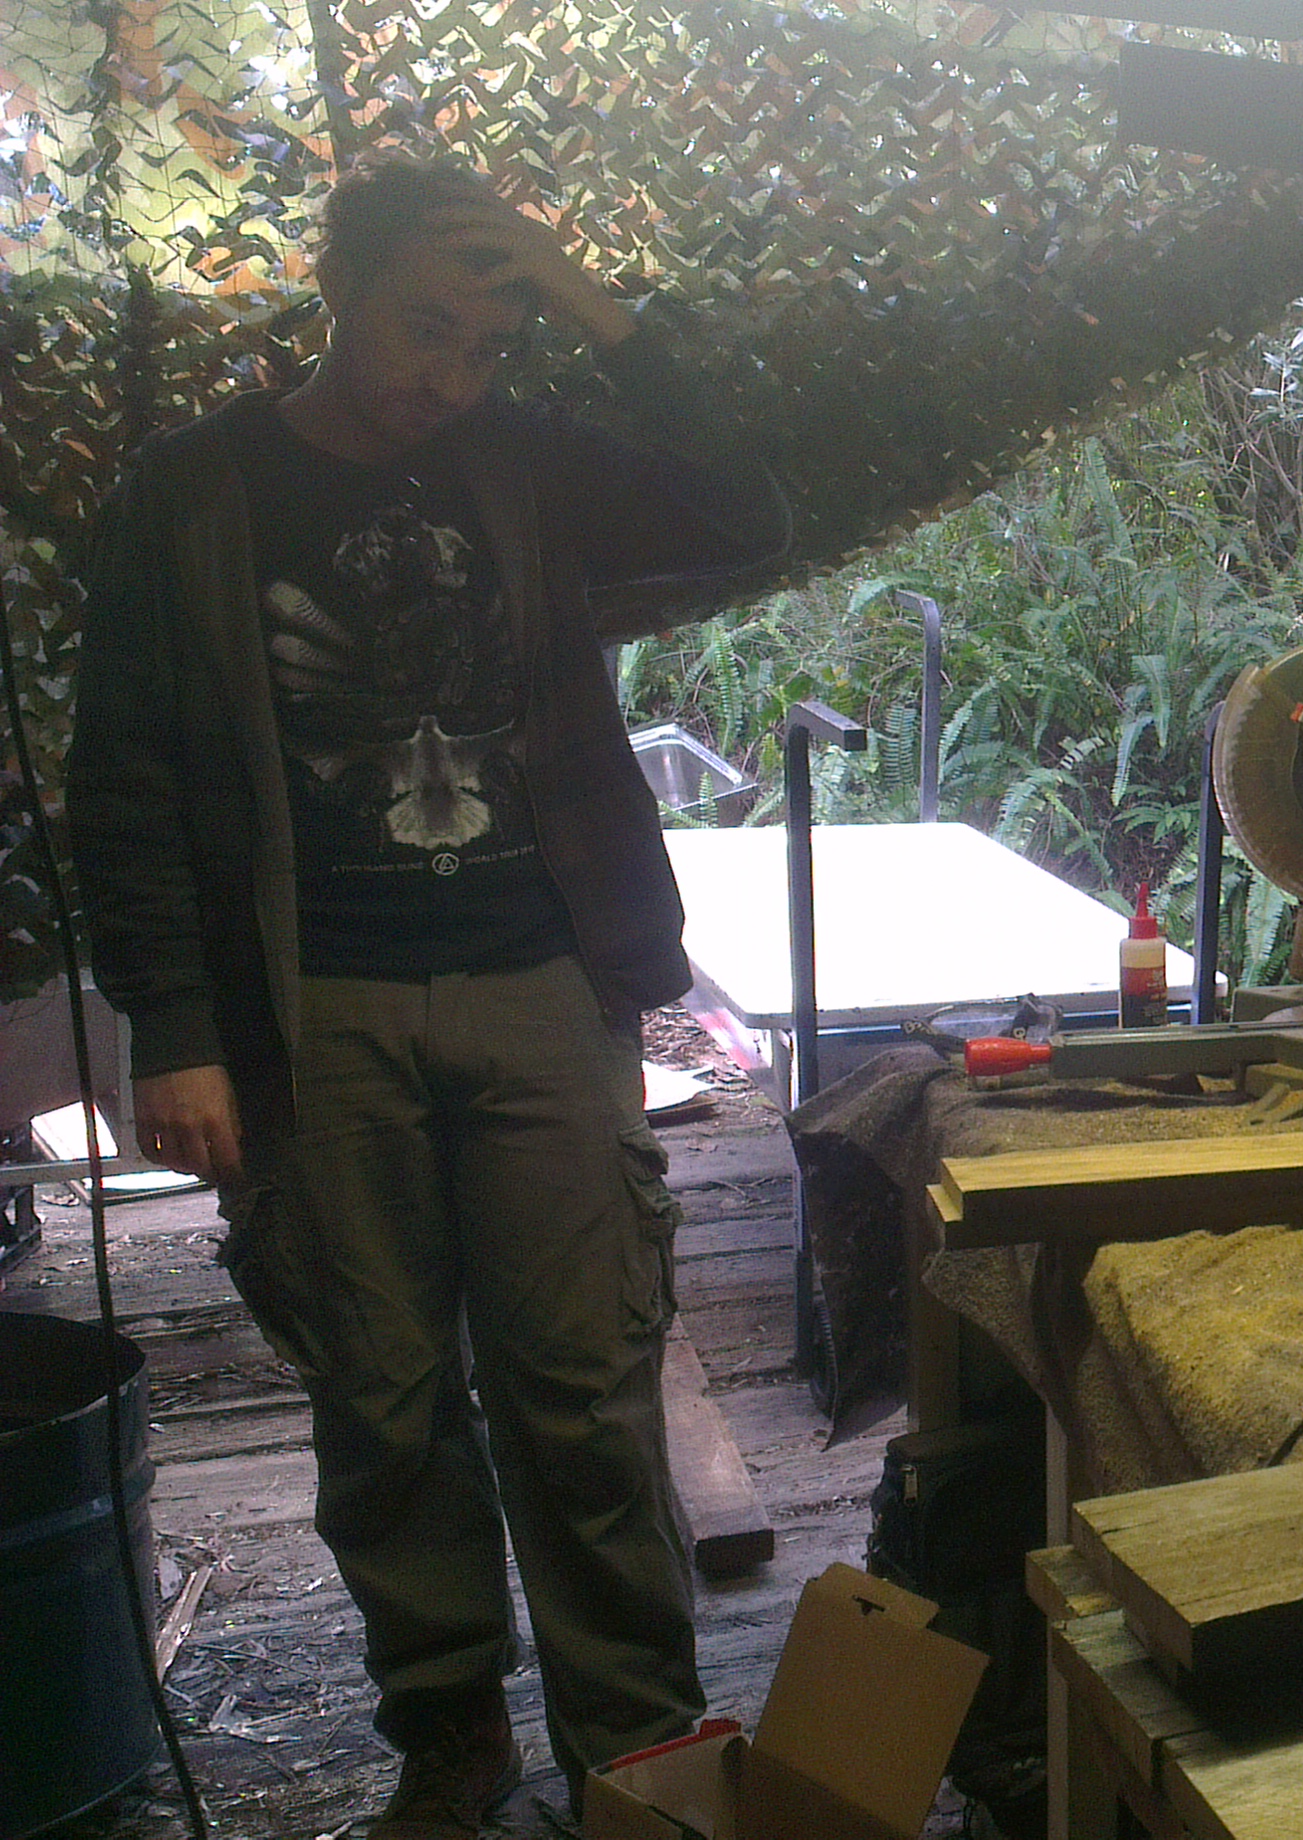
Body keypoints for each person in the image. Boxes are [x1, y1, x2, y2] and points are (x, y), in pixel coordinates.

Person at [67, 157, 786, 1836]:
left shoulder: (527, 464)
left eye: (485, 345)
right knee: (381, 1408)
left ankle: (635, 1752)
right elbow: (128, 776)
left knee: (585, 1392)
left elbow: (741, 509)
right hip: (312, 1012)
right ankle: (448, 1741)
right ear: (337, 287)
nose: (445, 376)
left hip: (542, 987)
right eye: (420, 326)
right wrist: (174, 1025)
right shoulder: (196, 493)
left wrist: (586, 293)